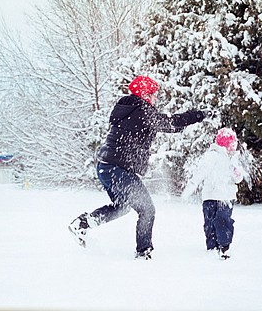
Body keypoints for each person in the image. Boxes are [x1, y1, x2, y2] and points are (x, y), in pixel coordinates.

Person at [68, 75, 209, 259]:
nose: (156, 98)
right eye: (153, 94)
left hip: (106, 167)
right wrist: (197, 115)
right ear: (145, 94)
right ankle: (143, 252)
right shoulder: (142, 109)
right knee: (147, 209)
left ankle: (82, 224)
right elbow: (170, 123)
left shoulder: (128, 108)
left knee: (121, 206)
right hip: (118, 169)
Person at [182, 128, 244, 260]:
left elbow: (238, 179)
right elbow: (201, 172)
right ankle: (211, 248)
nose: (233, 148)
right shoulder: (212, 156)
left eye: (234, 145)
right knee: (209, 223)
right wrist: (190, 187)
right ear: (224, 144)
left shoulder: (233, 158)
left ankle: (224, 247)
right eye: (231, 145)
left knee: (223, 220)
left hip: (226, 198)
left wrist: (238, 174)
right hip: (210, 196)